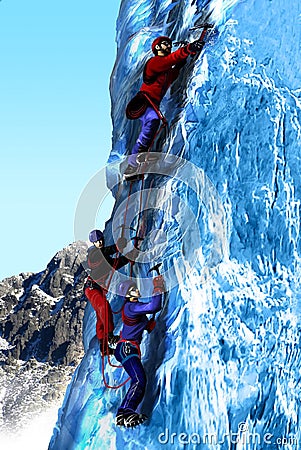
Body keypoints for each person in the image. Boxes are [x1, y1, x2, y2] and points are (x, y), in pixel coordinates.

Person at [124, 35, 205, 179]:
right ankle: (132, 166)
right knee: (153, 120)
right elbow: (170, 60)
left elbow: (173, 71)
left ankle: (137, 161)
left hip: (152, 103)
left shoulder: (165, 70)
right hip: (145, 102)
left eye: (169, 44)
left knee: (153, 124)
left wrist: (182, 62)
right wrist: (188, 49)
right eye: (164, 44)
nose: (168, 45)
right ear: (157, 48)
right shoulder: (154, 62)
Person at [114, 275, 165, 428]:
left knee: (139, 379)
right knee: (139, 379)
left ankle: (124, 413)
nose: (136, 290)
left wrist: (147, 325)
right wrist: (158, 288)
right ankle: (126, 412)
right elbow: (153, 306)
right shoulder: (130, 307)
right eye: (133, 289)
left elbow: (141, 319)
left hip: (127, 348)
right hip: (126, 348)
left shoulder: (134, 307)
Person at [84, 229, 135, 355]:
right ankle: (110, 335)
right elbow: (103, 252)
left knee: (101, 317)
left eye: (101, 240)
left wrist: (130, 256)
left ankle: (104, 348)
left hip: (97, 289)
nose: (99, 243)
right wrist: (117, 247)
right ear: (93, 243)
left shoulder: (104, 258)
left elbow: (115, 264)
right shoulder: (93, 254)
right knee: (104, 307)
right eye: (97, 242)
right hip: (92, 288)